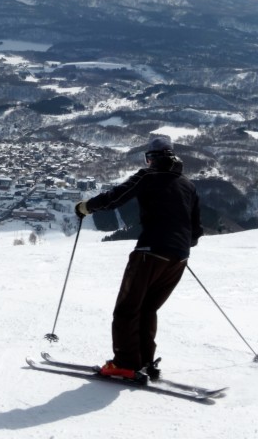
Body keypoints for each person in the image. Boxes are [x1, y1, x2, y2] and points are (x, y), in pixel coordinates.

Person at [74, 135, 203, 383]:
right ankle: (144, 361)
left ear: (151, 159)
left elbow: (115, 197)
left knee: (127, 308)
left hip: (150, 252)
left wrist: (86, 207)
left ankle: (124, 363)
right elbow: (196, 231)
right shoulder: (188, 185)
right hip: (178, 258)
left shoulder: (147, 176)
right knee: (147, 308)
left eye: (148, 158)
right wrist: (177, 244)